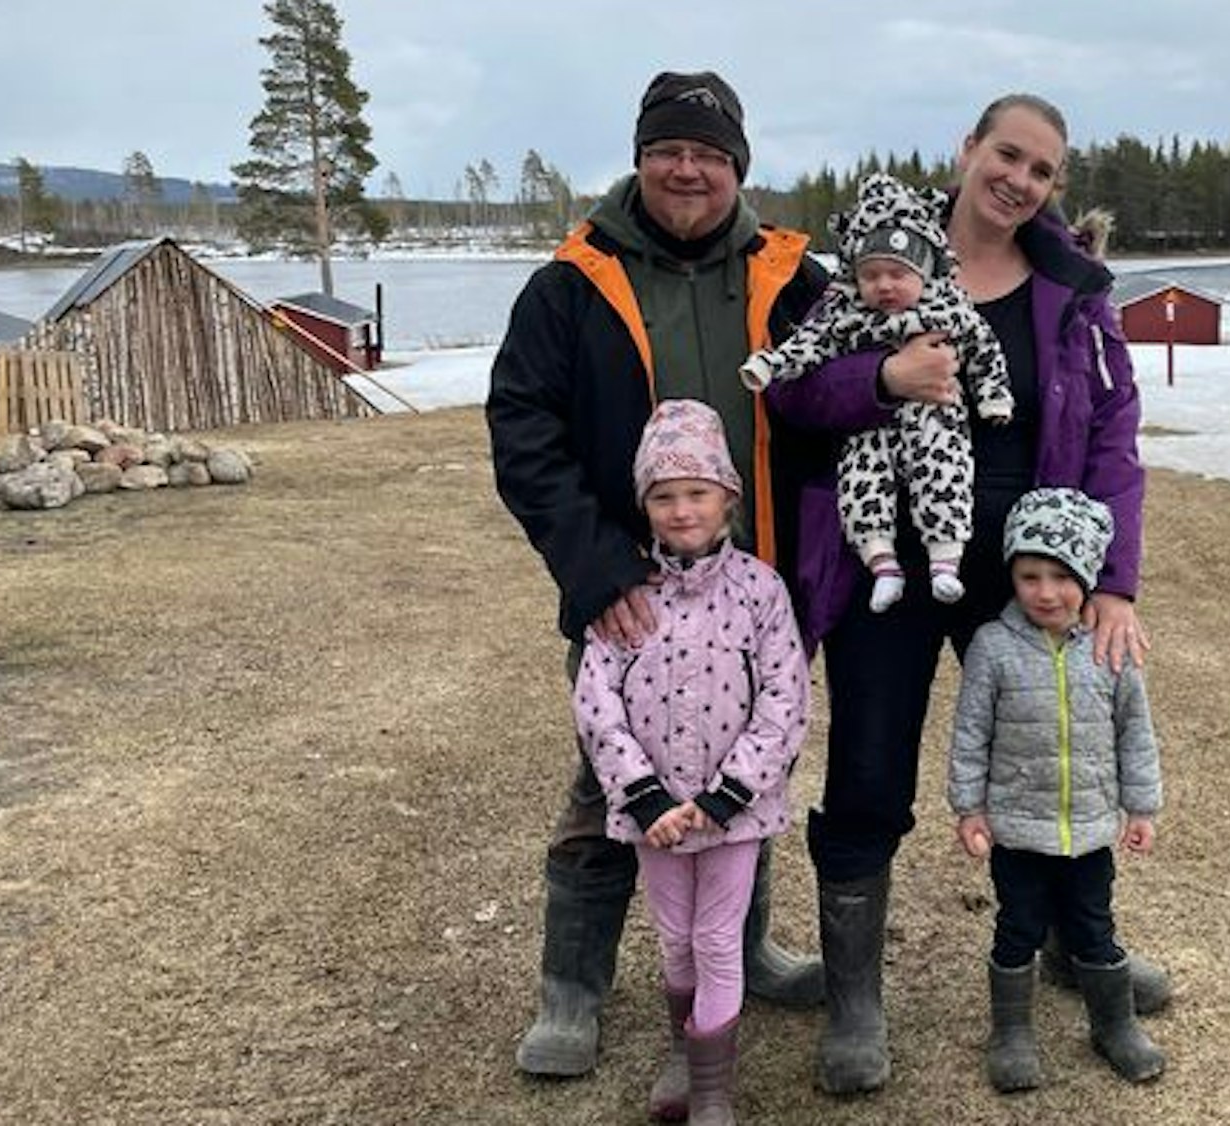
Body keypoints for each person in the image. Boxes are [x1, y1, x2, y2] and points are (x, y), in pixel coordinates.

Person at [763, 92, 1171, 1096]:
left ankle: (1075, 943)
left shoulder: (1071, 290)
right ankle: (855, 1000)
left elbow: (1112, 433)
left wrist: (1113, 581)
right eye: (1007, 154)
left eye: (1041, 170)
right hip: (886, 561)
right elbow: (793, 394)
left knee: (1050, 757)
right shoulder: (877, 260)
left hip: (1025, 570)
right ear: (967, 149)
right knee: (868, 768)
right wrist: (881, 380)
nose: (1019, 180)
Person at [486, 69, 830, 1085]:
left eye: (710, 154)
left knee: (748, 767)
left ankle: (744, 947)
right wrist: (598, 570)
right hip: (626, 596)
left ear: (738, 169)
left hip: (755, 591)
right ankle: (572, 987)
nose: (689, 169)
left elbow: (847, 394)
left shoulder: (794, 280)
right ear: (640, 159)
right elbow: (523, 431)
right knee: (607, 780)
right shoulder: (570, 283)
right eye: (669, 150)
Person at [575, 399, 810, 1124]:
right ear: (644, 505)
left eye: (697, 493)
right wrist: (643, 795)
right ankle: (684, 1053)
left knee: (715, 937)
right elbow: (596, 701)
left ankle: (712, 1094)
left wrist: (729, 794)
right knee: (676, 939)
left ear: (727, 497)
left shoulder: (761, 591)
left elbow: (785, 697)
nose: (682, 511)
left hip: (732, 813)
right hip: (656, 814)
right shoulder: (625, 596)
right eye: (664, 496)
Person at [949, 488, 1165, 1091]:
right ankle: (1012, 1033)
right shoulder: (992, 647)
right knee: (1017, 927)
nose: (1046, 592)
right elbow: (970, 734)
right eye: (1030, 576)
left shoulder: (1109, 647)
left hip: (1089, 832)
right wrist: (969, 808)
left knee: (1094, 926)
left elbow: (1135, 731)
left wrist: (1141, 808)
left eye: (1063, 577)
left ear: (1088, 576)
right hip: (1018, 831)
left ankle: (1113, 1024)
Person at [740, 171, 1012, 613]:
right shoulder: (844, 315)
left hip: (934, 418)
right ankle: (883, 565)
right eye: (871, 275)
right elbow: (808, 345)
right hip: (869, 428)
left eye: (897, 274)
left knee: (944, 472)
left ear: (924, 271)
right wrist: (770, 365)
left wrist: (992, 395)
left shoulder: (950, 310)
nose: (884, 286)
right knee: (861, 484)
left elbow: (985, 349)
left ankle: (945, 561)